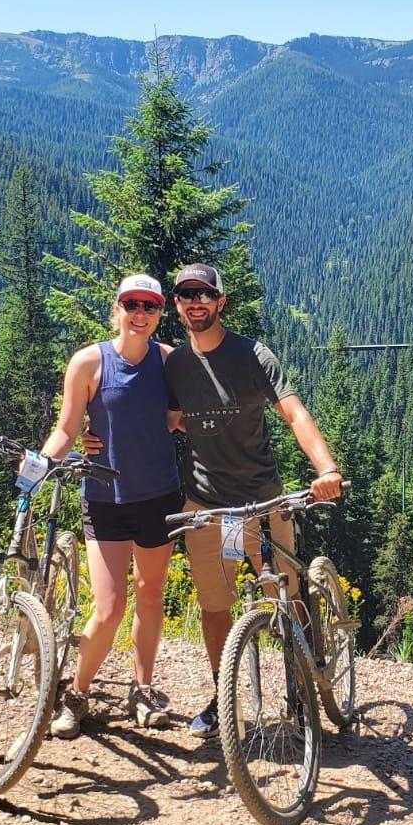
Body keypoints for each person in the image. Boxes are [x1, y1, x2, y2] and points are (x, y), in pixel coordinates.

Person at [162, 262, 342, 735]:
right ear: (177, 305)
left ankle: (303, 686)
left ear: (221, 302)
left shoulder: (252, 356)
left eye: (204, 294)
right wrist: (98, 436)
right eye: (186, 294)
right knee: (214, 606)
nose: (195, 301)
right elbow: (166, 418)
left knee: (284, 597)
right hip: (204, 508)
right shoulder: (176, 364)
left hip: (263, 503)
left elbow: (295, 414)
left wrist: (326, 468)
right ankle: (224, 697)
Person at [39, 273, 183, 739]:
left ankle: (143, 689)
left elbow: (180, 420)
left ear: (161, 313)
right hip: (105, 499)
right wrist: (40, 465)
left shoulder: (169, 363)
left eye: (150, 306)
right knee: (109, 607)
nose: (140, 314)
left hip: (160, 498)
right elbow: (66, 428)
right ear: (116, 308)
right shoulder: (88, 363)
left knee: (150, 594)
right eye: (132, 304)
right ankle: (77, 692)